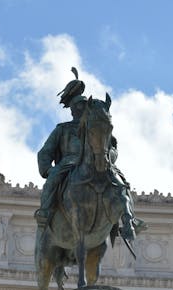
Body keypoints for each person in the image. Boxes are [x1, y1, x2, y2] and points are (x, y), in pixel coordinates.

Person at [35, 69, 145, 241]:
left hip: (100, 161)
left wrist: (108, 156)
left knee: (121, 184)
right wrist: (48, 170)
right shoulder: (62, 129)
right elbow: (45, 152)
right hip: (69, 163)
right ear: (72, 110)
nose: (80, 110)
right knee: (55, 177)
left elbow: (113, 146)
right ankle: (45, 211)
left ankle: (130, 219)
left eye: (83, 106)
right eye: (77, 107)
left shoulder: (97, 128)